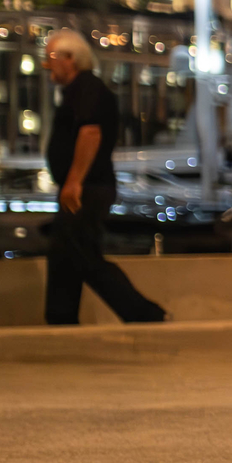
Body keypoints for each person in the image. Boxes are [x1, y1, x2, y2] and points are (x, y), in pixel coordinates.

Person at [41, 30, 166, 326]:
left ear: (70, 59)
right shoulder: (79, 90)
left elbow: (91, 133)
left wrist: (74, 181)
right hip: (85, 186)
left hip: (87, 187)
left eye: (51, 58)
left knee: (82, 254)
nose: (47, 65)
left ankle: (145, 314)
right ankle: (60, 320)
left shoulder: (87, 88)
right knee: (65, 254)